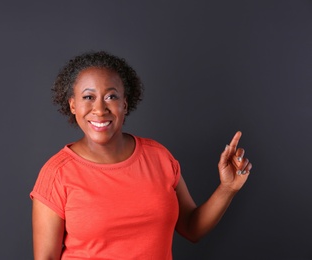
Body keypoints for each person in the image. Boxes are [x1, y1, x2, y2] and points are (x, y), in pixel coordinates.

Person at [30, 51, 252, 260]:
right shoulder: (57, 173)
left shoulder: (159, 157)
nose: (99, 109)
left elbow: (192, 229)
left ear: (125, 104)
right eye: (88, 97)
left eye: (111, 97)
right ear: (73, 105)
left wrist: (227, 188)